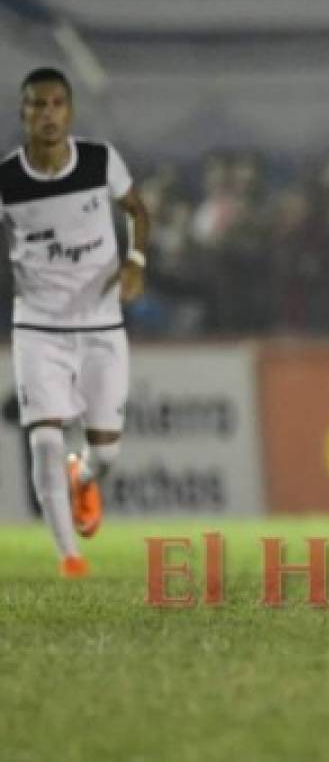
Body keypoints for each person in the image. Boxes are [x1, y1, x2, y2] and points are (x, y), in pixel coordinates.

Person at [0, 68, 150, 577]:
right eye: (37, 105)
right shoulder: (6, 181)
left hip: (101, 325)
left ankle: (82, 476)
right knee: (43, 437)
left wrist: (136, 261)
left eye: (57, 104)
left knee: (106, 454)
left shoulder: (99, 161)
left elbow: (137, 210)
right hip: (37, 328)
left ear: (70, 111)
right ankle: (70, 558)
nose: (48, 114)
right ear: (22, 113)